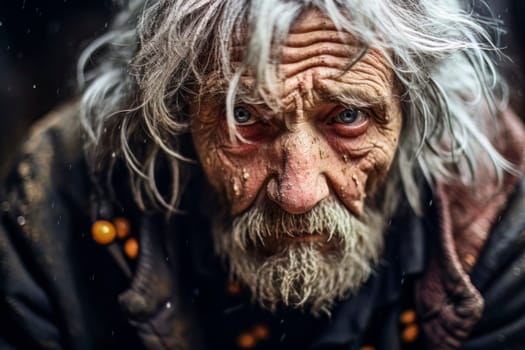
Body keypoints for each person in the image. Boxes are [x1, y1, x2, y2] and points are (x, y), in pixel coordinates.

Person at [1, 0, 524, 349]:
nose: (298, 192)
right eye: (243, 118)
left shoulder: (500, 212)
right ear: (176, 114)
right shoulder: (63, 194)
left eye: (348, 116)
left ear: (413, 112)